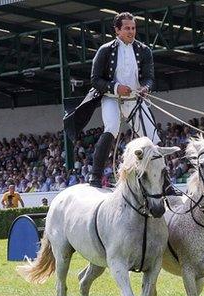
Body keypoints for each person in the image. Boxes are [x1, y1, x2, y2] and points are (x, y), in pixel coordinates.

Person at [64, 12, 158, 188]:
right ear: (117, 30)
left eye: (133, 28)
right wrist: (116, 88)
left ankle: (163, 181)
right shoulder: (105, 50)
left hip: (135, 99)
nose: (131, 31)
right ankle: (96, 177)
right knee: (112, 128)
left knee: (152, 137)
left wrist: (145, 88)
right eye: (127, 28)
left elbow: (150, 78)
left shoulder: (145, 51)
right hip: (111, 97)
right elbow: (95, 79)